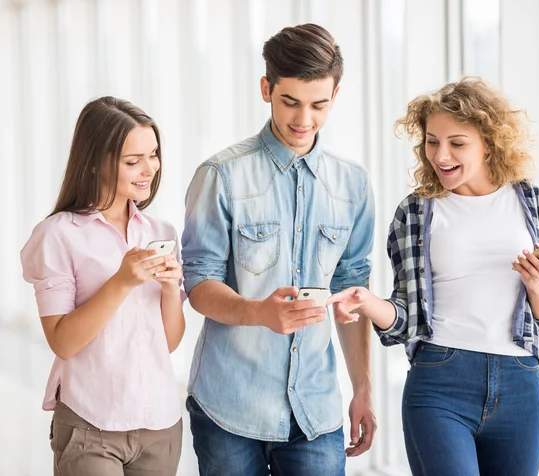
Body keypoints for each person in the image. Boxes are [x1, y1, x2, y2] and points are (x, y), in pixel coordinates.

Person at [328, 77, 539, 476]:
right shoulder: (415, 213)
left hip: (521, 384)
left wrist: (536, 283)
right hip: (439, 381)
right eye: (432, 141)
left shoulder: (538, 206)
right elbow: (405, 321)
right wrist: (365, 301)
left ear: (489, 142)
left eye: (456, 143)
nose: (440, 155)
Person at [182, 23, 376, 475]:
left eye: (318, 105)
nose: (303, 119)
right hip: (229, 406)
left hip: (316, 410)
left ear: (335, 95)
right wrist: (259, 313)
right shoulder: (220, 175)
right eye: (290, 101)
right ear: (267, 88)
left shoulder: (353, 184)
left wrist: (363, 387)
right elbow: (198, 283)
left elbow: (352, 290)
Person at [21, 97, 185, 476]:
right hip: (89, 426)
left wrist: (171, 289)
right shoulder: (58, 236)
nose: (149, 169)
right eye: (133, 161)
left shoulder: (161, 233)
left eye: (153, 155)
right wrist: (121, 282)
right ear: (95, 161)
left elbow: (170, 342)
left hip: (160, 425)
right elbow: (62, 341)